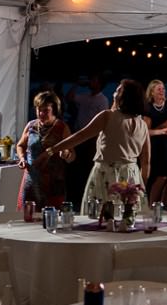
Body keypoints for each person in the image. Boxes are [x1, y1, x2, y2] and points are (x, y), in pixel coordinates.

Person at [47, 78, 150, 212]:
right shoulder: (142, 124)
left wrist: (51, 150)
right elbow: (146, 162)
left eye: (118, 90)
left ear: (123, 97)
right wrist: (141, 186)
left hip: (106, 174)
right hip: (131, 175)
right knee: (128, 218)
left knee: (100, 218)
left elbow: (80, 135)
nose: (114, 92)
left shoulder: (108, 116)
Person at [14, 90, 72, 209]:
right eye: (38, 109)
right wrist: (21, 158)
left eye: (46, 110)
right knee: (28, 217)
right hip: (31, 181)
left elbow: (72, 155)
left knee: (51, 218)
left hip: (53, 183)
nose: (41, 113)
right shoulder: (31, 126)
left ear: (54, 110)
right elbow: (20, 145)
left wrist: (65, 154)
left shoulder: (61, 128)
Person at [64, 75, 111, 208]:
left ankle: (87, 199)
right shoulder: (85, 96)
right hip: (79, 136)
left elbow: (102, 123)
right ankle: (76, 197)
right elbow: (69, 98)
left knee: (87, 168)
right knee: (76, 168)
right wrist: (77, 84)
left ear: (100, 83)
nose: (91, 81)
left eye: (94, 79)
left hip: (92, 139)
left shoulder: (103, 100)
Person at [143, 79, 167, 209]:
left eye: (163, 89)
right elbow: (145, 132)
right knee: (161, 176)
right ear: (151, 92)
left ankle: (163, 203)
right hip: (155, 145)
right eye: (159, 89)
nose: (162, 91)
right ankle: (151, 205)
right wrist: (162, 129)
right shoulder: (148, 108)